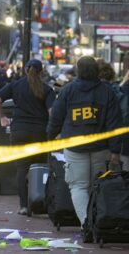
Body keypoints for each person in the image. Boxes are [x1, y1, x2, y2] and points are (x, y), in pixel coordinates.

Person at [47, 56, 123, 226]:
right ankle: (96, 221)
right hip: (100, 147)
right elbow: (114, 123)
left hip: (74, 148)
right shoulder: (107, 91)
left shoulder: (68, 90)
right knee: (97, 185)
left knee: (78, 186)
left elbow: (56, 118)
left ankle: (86, 224)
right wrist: (115, 151)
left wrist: (50, 137)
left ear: (78, 70)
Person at [0, 59, 56, 215]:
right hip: (40, 132)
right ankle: (39, 203)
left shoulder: (15, 85)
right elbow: (52, 113)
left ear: (25, 70)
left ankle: (23, 206)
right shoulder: (47, 89)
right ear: (41, 72)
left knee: (21, 169)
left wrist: (3, 118)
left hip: (19, 131)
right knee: (40, 167)